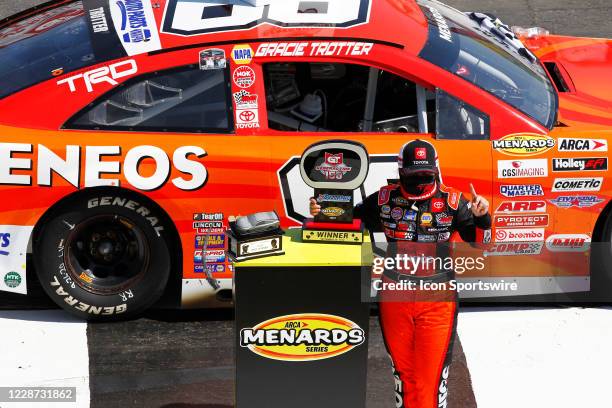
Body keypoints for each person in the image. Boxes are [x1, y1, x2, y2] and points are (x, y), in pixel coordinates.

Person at [309, 139, 491, 408]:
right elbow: (353, 217)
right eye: (413, 174)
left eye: (425, 175)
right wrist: (323, 211)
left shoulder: (453, 201)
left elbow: (480, 242)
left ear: (436, 170)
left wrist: (482, 217)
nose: (419, 180)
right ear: (401, 170)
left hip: (437, 298)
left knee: (429, 378)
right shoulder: (385, 199)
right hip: (394, 296)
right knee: (404, 375)